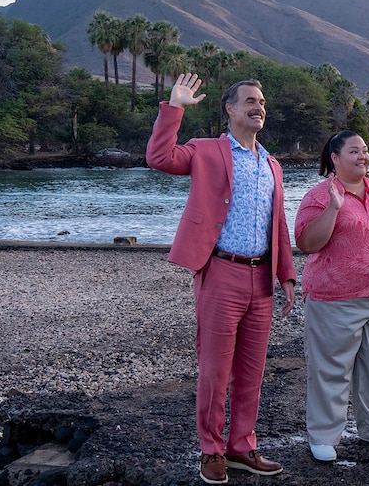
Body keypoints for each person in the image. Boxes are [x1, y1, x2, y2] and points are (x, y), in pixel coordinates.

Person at [146, 73, 296, 484]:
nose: (258, 106)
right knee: (214, 371)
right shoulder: (206, 150)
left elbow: (276, 221)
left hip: (261, 276)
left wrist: (287, 274)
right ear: (229, 109)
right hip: (220, 272)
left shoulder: (272, 164)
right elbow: (159, 158)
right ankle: (210, 450)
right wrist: (174, 106)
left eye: (262, 101)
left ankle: (242, 447)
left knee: (252, 371)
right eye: (249, 100)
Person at [294, 130, 369, 462]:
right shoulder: (319, 195)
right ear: (335, 158)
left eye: (366, 151)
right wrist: (334, 207)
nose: (363, 156)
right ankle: (324, 435)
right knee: (331, 368)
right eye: (354, 151)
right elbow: (307, 243)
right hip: (334, 298)